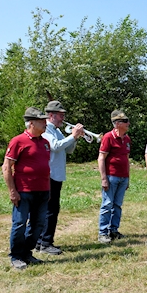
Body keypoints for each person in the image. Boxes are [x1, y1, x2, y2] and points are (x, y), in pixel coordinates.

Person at [2, 107, 52, 270]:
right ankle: (16, 255)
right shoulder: (18, 141)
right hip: (24, 191)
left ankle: (27, 252)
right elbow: (6, 167)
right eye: (42, 121)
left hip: (43, 191)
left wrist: (48, 189)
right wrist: (12, 191)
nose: (45, 123)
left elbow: (45, 167)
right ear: (31, 123)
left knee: (38, 223)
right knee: (20, 223)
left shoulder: (45, 143)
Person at [37, 100, 84, 255]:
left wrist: (75, 138)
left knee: (49, 209)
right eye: (60, 115)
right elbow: (55, 146)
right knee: (51, 210)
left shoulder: (56, 130)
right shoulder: (46, 131)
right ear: (51, 115)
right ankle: (45, 242)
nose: (63, 118)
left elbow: (68, 149)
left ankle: (39, 240)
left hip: (56, 175)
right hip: (50, 175)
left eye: (63, 115)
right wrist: (72, 135)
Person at [98, 110, 131, 244]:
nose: (128, 123)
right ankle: (103, 233)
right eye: (125, 121)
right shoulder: (108, 137)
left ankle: (114, 230)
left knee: (117, 205)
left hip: (123, 177)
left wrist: (128, 177)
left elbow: (127, 159)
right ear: (117, 124)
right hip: (111, 176)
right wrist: (104, 178)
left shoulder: (127, 139)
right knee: (107, 204)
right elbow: (101, 158)